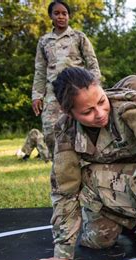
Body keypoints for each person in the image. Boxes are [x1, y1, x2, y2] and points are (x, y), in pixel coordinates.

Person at [26, 67, 136, 260]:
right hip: (121, 181)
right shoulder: (66, 134)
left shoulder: (126, 104)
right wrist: (62, 253)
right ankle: (128, 217)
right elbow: (65, 191)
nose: (100, 114)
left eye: (101, 101)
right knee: (97, 240)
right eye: (87, 112)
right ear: (69, 113)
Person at [32, 0, 101, 158]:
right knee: (50, 130)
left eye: (64, 13)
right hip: (53, 92)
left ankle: (86, 159)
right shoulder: (44, 41)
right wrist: (36, 95)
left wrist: (96, 88)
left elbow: (92, 63)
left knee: (82, 125)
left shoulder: (78, 37)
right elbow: (40, 70)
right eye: (57, 13)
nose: (61, 16)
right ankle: (59, 162)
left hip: (77, 89)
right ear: (51, 16)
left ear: (69, 16)